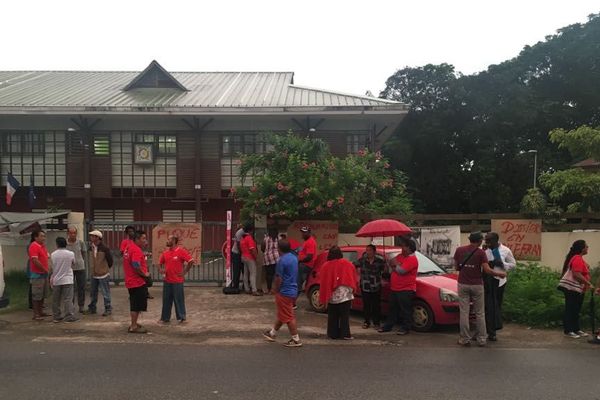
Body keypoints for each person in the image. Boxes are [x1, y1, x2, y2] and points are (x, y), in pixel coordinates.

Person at [453, 232, 506, 347]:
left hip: (463, 284)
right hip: (477, 285)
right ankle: (482, 339)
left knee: (464, 312)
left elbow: (456, 267)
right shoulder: (481, 253)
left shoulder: (459, 250)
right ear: (480, 241)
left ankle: (464, 339)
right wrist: (499, 274)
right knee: (480, 313)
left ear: (470, 239)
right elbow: (487, 270)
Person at [262, 240, 302, 347]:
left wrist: (275, 289)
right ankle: (272, 333)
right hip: (293, 289)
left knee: (288, 316)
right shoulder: (294, 258)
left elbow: (278, 278)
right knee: (283, 313)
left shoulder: (282, 261)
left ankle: (296, 339)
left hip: (284, 291)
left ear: (279, 249)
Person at [378, 237, 419, 335]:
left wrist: (396, 265)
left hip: (406, 289)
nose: (402, 248)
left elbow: (401, 271)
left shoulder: (412, 259)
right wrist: (395, 265)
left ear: (409, 248)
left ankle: (406, 327)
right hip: (395, 288)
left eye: (404, 247)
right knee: (392, 309)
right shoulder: (401, 256)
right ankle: (388, 326)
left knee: (405, 310)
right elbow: (391, 262)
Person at [483, 232, 517, 341]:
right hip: (487, 281)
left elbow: (513, 265)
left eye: (489, 241)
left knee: (496, 306)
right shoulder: (484, 250)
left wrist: (502, 264)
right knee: (487, 307)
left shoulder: (505, 250)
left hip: (500, 282)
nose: (487, 243)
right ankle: (486, 330)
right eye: (486, 240)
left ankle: (493, 330)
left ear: (495, 240)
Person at [319, 246, 358, 340]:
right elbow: (352, 276)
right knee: (345, 316)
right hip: (345, 294)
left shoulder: (325, 265)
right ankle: (345, 334)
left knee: (332, 315)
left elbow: (323, 280)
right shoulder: (347, 263)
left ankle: (332, 334)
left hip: (332, 294)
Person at [560, 240, 594, 339]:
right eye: (586, 247)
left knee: (576, 309)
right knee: (571, 309)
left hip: (578, 289)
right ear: (582, 248)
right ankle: (569, 330)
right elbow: (576, 274)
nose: (588, 248)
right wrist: (588, 283)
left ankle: (576, 329)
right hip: (573, 289)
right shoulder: (577, 258)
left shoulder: (579, 258)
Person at [158, 235, 194, 324]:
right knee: (166, 300)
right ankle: (165, 318)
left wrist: (185, 271)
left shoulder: (181, 251)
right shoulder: (165, 253)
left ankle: (182, 317)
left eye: (169, 239)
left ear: (174, 241)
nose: (167, 241)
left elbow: (191, 261)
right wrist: (160, 269)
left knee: (179, 299)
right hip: (167, 281)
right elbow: (159, 263)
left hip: (177, 281)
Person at [123, 230, 151, 333]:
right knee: (136, 304)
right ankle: (133, 326)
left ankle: (134, 323)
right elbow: (135, 265)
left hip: (131, 280)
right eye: (143, 238)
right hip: (137, 281)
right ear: (137, 239)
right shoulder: (135, 250)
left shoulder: (129, 248)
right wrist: (145, 274)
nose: (145, 240)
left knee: (135, 303)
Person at [355, 244, 385, 329]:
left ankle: (376, 322)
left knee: (376, 306)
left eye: (370, 250)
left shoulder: (379, 261)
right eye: (367, 250)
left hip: (376, 286)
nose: (368, 252)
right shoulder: (362, 261)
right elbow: (353, 265)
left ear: (374, 252)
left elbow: (385, 272)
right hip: (365, 286)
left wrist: (385, 266)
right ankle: (366, 321)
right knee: (366, 305)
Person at [50, 237, 79, 323]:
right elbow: (73, 263)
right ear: (65, 243)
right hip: (67, 279)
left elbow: (52, 266)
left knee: (56, 299)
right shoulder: (70, 254)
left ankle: (56, 316)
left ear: (57, 244)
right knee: (68, 299)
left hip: (56, 279)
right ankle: (69, 316)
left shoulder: (53, 254)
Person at [85, 230, 113, 316]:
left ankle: (108, 308)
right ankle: (92, 308)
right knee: (93, 292)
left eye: (93, 236)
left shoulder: (104, 248)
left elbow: (110, 261)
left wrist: (104, 269)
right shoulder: (91, 247)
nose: (91, 237)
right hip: (94, 274)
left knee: (105, 292)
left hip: (103, 274)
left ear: (98, 237)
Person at [29, 229, 50, 320]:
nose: (43, 238)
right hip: (37, 274)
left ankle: (40, 311)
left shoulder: (42, 246)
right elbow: (35, 260)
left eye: (44, 236)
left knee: (42, 294)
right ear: (35, 237)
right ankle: (36, 314)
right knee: (36, 294)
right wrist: (44, 269)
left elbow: (47, 257)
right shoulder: (34, 246)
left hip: (44, 274)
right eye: (41, 236)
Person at [66, 226, 87, 314]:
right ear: (68, 233)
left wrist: (80, 260)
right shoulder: (65, 243)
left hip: (80, 267)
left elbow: (84, 253)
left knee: (81, 287)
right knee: (70, 288)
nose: (72, 235)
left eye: (74, 233)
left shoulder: (80, 242)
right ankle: (71, 306)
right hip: (69, 268)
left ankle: (81, 306)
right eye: (71, 233)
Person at [297, 226, 317, 298]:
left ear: (309, 233)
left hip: (306, 265)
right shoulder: (307, 241)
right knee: (299, 282)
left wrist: (299, 260)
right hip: (304, 265)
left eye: (305, 232)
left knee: (298, 282)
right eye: (302, 232)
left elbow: (309, 257)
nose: (303, 234)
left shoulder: (310, 242)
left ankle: (293, 302)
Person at [240, 224, 260, 296]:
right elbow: (253, 249)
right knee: (253, 274)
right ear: (250, 230)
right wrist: (256, 258)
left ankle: (247, 289)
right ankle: (254, 290)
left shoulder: (242, 238)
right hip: (250, 258)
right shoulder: (249, 238)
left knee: (245, 274)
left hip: (243, 257)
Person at [261, 228, 279, 294]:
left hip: (267, 259)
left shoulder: (266, 239)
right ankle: (275, 289)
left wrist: (266, 252)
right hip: (276, 259)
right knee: (276, 274)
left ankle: (269, 289)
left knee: (269, 275)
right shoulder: (278, 239)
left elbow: (262, 248)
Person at [230, 224, 245, 290]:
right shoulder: (240, 233)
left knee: (244, 270)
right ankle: (235, 286)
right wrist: (242, 253)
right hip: (237, 253)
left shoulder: (245, 232)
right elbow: (238, 245)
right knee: (236, 270)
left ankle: (244, 286)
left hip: (242, 253)